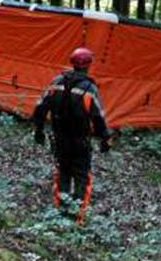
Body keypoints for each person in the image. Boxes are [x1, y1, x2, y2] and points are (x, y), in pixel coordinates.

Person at [33, 46, 112, 225]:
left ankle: (60, 213)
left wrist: (39, 131)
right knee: (82, 177)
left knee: (63, 173)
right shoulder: (89, 88)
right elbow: (98, 117)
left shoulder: (57, 82)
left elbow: (40, 108)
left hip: (59, 138)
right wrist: (105, 139)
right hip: (80, 141)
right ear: (88, 65)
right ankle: (77, 217)